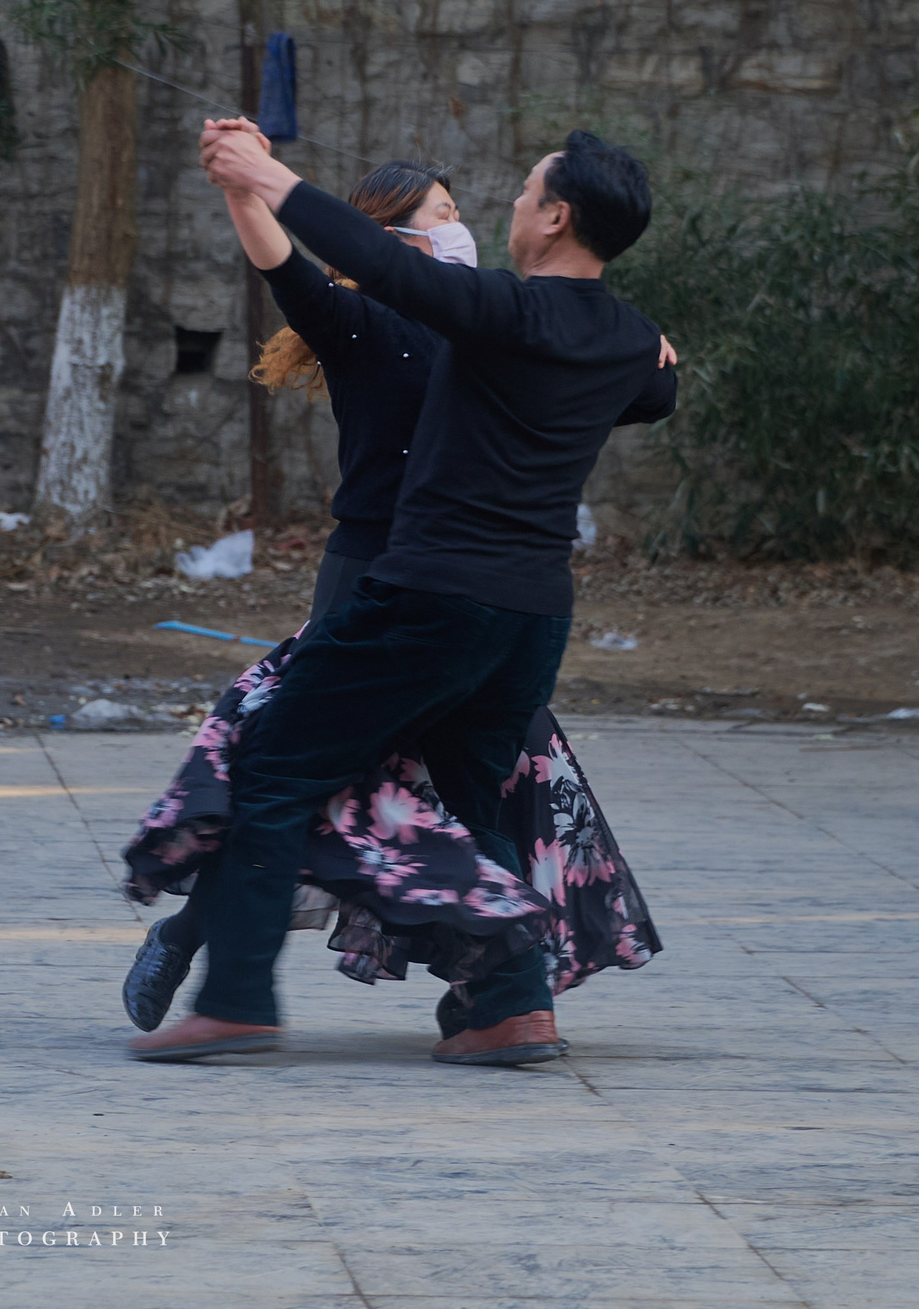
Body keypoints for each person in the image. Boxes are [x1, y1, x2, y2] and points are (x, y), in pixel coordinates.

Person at [124, 121, 676, 1064]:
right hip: (532, 615)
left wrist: (266, 173)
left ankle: (240, 996)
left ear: (556, 217)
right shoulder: (621, 336)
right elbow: (656, 392)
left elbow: (385, 266)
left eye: (521, 194)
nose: (502, 208)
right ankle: (513, 1006)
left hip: (431, 597)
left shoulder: (502, 311)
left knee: (273, 765)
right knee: (468, 807)